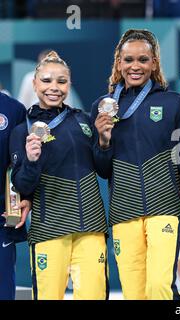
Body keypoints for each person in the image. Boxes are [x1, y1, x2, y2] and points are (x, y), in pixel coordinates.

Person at [92, 29, 180, 300]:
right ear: (119, 63)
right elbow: (102, 169)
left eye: (143, 60)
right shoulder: (103, 107)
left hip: (164, 209)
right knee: (135, 295)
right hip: (124, 212)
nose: (136, 66)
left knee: (158, 288)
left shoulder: (172, 103)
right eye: (129, 60)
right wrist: (103, 140)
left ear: (154, 63)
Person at [9, 51, 109, 300]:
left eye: (61, 81)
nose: (54, 87)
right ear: (34, 83)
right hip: (48, 230)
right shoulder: (22, 130)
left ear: (70, 84)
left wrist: (105, 142)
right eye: (46, 80)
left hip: (90, 229)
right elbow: (20, 184)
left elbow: (104, 169)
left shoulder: (84, 121)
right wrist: (31, 161)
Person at [0, 92, 30, 300]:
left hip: (2, 215)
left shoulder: (13, 110)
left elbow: (18, 162)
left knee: (3, 285)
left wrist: (23, 196)